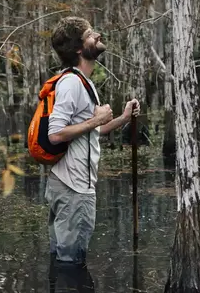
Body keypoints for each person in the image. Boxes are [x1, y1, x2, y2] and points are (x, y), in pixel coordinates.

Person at [46, 16, 140, 266]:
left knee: (64, 262)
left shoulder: (82, 82)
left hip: (70, 185)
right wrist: (96, 121)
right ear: (79, 48)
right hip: (73, 188)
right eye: (90, 34)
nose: (97, 36)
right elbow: (55, 134)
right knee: (71, 265)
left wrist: (123, 118)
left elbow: (89, 133)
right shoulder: (70, 83)